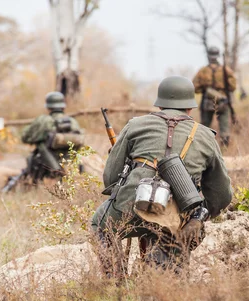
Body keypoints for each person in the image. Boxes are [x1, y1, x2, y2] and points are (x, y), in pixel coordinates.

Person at [90, 76, 232, 276]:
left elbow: (110, 178)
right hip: (177, 215)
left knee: (99, 223)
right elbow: (222, 195)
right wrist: (198, 217)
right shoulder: (206, 136)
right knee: (171, 272)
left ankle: (114, 280)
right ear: (190, 107)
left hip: (131, 207)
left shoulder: (136, 125)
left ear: (160, 104)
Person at [19, 92, 83, 183]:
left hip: (48, 167)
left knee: (37, 149)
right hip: (70, 165)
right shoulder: (73, 122)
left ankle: (35, 184)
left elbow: (25, 137)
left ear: (48, 107)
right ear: (63, 106)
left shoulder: (43, 121)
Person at [193, 46, 237, 147]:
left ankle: (203, 148)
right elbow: (233, 87)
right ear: (217, 56)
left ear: (208, 55)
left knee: (204, 129)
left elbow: (195, 87)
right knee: (225, 130)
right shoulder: (226, 70)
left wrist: (205, 90)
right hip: (223, 103)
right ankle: (224, 150)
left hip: (207, 102)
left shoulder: (203, 71)